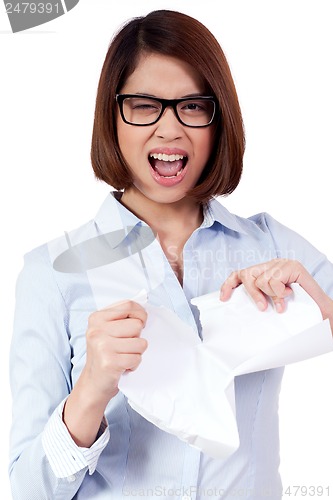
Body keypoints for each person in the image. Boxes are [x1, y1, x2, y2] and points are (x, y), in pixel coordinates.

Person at [9, 9, 333, 500]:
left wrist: (314, 299)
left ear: (217, 119)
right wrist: (91, 390)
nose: (169, 130)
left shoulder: (271, 246)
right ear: (112, 116)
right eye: (143, 105)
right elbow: (29, 491)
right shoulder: (52, 273)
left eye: (193, 106)